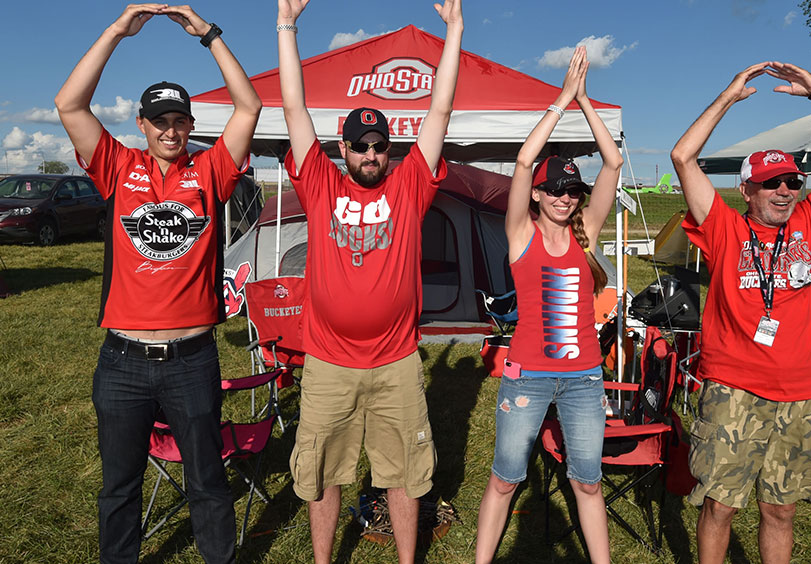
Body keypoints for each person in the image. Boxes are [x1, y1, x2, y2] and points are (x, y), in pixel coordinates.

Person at [54, 4, 261, 563]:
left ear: (190, 126)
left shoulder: (211, 169)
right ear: (142, 125)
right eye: (160, 121)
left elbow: (250, 106)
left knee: (207, 483)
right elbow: (69, 104)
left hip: (193, 359)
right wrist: (117, 31)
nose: (171, 131)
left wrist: (209, 35)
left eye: (180, 121)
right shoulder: (118, 165)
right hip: (122, 361)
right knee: (118, 488)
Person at [275, 0, 462, 562]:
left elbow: (440, 112)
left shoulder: (409, 190)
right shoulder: (321, 186)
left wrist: (453, 31)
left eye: (381, 146)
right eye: (361, 146)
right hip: (329, 361)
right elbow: (293, 107)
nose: (372, 154)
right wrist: (287, 25)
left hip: (397, 362)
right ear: (343, 150)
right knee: (324, 474)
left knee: (405, 473)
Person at [670, 62, 811, 564]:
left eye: (792, 181)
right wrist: (727, 97)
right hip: (734, 390)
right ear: (746, 191)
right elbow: (682, 155)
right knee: (721, 507)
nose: (786, 190)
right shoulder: (722, 227)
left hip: (802, 393)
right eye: (771, 183)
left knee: (780, 511)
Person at [474, 46, 623, 564]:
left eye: (572, 190)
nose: (565, 197)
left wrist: (586, 104)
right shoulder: (521, 235)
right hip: (527, 377)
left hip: (584, 378)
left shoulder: (588, 232)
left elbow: (614, 162)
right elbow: (520, 160)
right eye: (554, 189)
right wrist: (560, 100)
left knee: (587, 482)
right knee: (505, 478)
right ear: (536, 194)